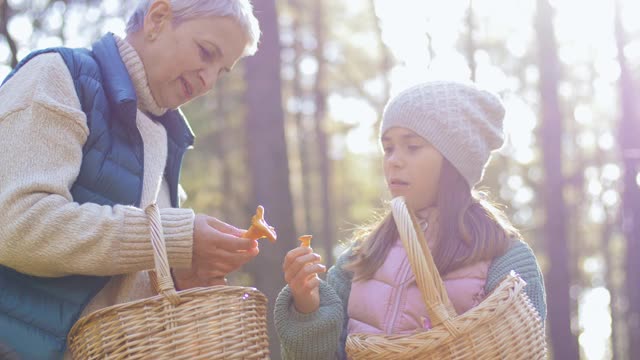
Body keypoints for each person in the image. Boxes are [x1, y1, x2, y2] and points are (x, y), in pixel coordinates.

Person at [0, 1, 261, 358]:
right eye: (206, 52)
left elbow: (122, 280)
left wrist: (183, 276)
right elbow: (15, 224)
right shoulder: (58, 76)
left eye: (222, 71)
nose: (208, 80)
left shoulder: (169, 139)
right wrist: (173, 237)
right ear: (157, 18)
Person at [275, 81, 547, 359]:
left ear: (455, 161)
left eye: (413, 146)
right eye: (388, 148)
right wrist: (307, 309)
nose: (394, 161)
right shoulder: (360, 257)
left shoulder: (507, 261)